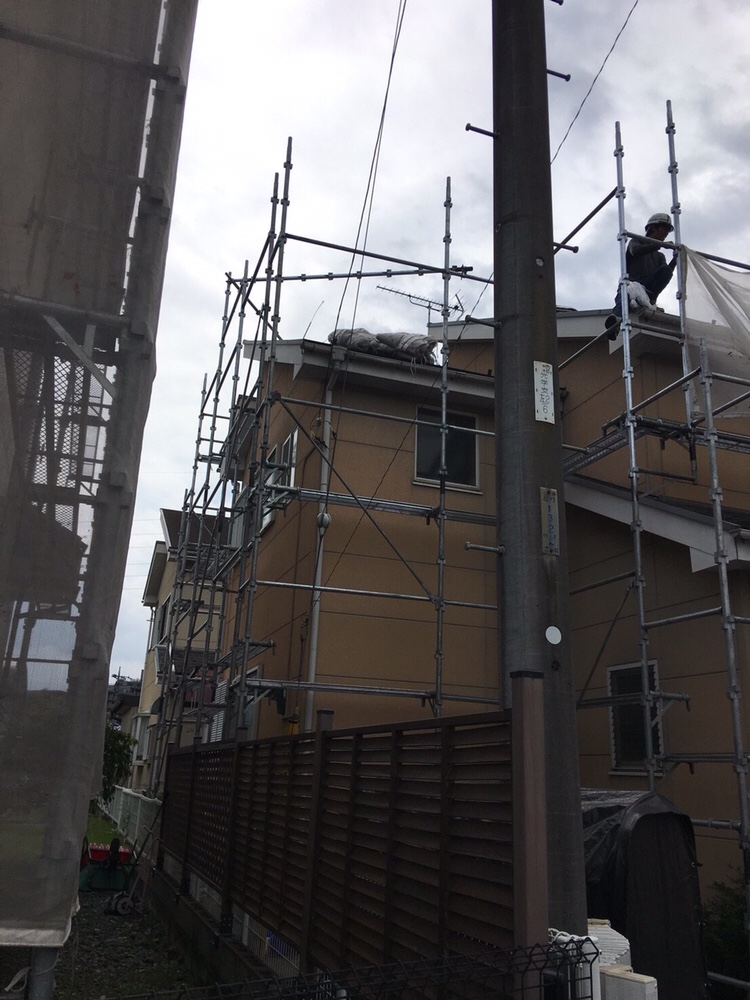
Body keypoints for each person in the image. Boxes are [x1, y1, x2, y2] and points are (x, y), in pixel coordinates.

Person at [605, 213, 677, 333]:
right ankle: (615, 322)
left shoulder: (659, 256)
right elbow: (636, 251)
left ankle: (647, 302)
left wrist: (675, 259)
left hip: (648, 290)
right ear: (654, 228)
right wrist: (658, 245)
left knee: (666, 270)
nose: (666, 233)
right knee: (627, 292)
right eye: (665, 228)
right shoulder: (637, 241)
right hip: (632, 283)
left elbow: (666, 273)